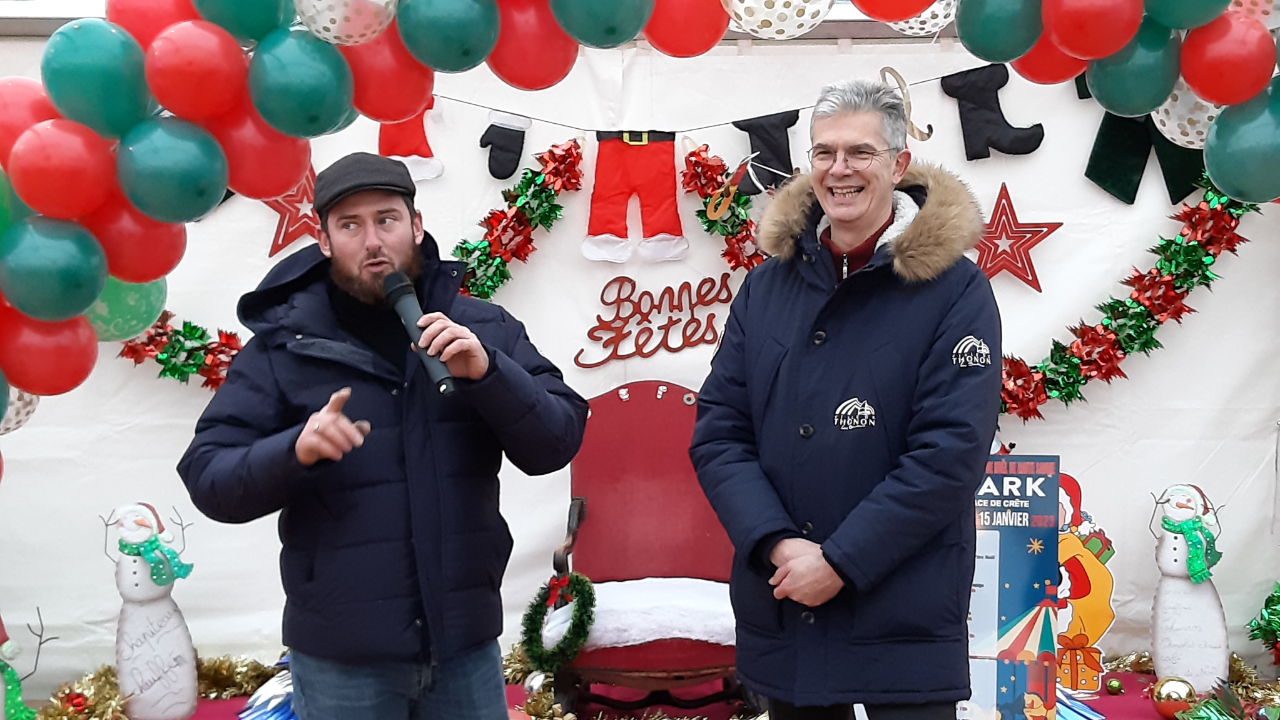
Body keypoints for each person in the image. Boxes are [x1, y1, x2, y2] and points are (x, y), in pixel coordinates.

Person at [178, 153, 588, 720]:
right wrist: (293, 451)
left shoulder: (481, 328)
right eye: (350, 225)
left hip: (465, 647)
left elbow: (558, 441)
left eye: (386, 219)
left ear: (416, 226)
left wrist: (490, 373)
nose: (372, 241)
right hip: (341, 658)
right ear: (324, 241)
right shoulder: (285, 345)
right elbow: (207, 475)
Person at [689, 80, 1002, 720]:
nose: (840, 170)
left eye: (860, 152)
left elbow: (950, 453)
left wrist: (840, 561)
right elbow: (720, 433)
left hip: (904, 615)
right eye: (824, 152)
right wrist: (778, 544)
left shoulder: (955, 291)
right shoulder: (765, 289)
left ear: (899, 164)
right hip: (786, 606)